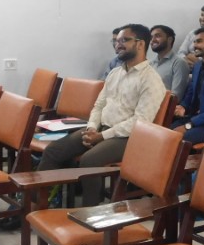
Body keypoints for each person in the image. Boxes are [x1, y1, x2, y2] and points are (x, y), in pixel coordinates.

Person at [38, 23, 166, 207]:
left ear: (140, 44)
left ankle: (91, 213)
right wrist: (92, 127)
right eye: (116, 41)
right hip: (101, 129)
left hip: (129, 138)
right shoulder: (115, 73)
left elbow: (141, 122)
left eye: (124, 40)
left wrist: (102, 136)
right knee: (53, 151)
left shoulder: (150, 79)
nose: (118, 45)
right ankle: (40, 203)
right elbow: (99, 106)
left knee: (89, 160)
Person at [148, 24, 189, 100]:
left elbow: (175, 97)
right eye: (151, 37)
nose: (152, 40)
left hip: (163, 106)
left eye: (157, 36)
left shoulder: (179, 63)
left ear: (169, 39)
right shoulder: (150, 64)